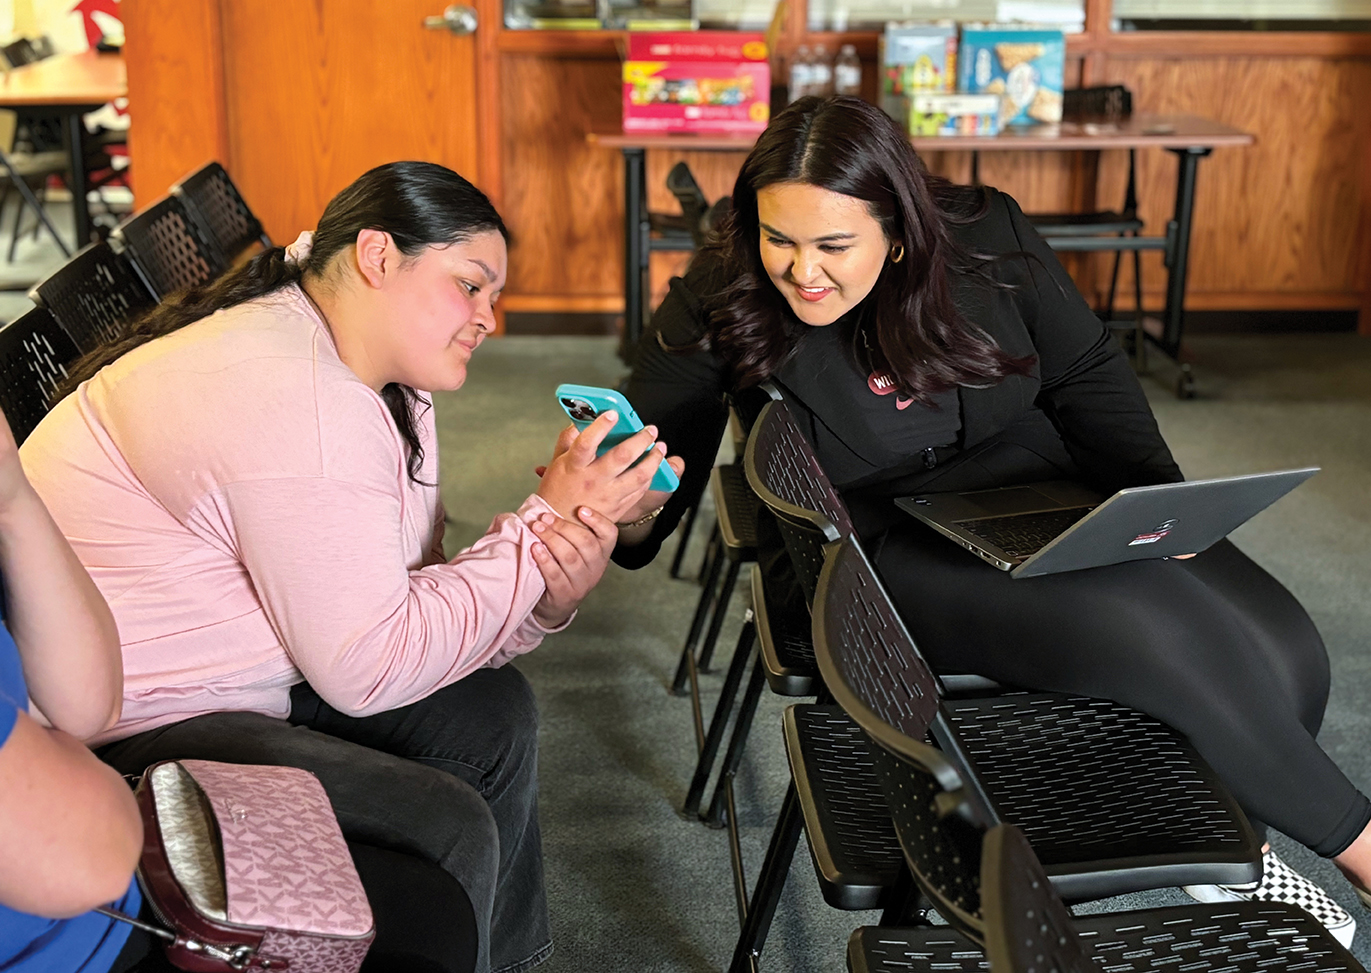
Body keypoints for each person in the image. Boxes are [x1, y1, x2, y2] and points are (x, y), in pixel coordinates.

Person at [615, 95, 1371, 944]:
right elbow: (651, 485)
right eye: (778, 238)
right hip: (883, 546)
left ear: (898, 230)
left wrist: (1157, 512)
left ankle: (1212, 840)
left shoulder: (986, 234)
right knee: (1160, 629)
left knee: (1285, 642)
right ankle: (1356, 847)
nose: (802, 272)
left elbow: (1085, 371)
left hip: (1037, 488)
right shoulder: (722, 295)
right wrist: (630, 508)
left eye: (833, 245)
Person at [19, 161, 678, 973]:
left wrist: (540, 583)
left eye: (492, 297)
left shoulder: (370, 375)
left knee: (489, 711)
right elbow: (368, 667)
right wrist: (538, 532)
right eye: (469, 286)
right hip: (127, 726)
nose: (488, 319)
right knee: (441, 821)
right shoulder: (295, 397)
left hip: (249, 663)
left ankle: (499, 958)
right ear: (376, 256)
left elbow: (403, 588)